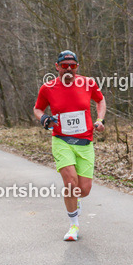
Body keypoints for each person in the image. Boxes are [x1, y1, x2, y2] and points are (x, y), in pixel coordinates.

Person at [33, 50, 106, 242]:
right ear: (57, 67)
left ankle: (76, 200)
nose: (68, 69)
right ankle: (74, 225)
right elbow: (38, 108)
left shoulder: (88, 83)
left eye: (72, 66)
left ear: (77, 67)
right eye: (64, 66)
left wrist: (99, 120)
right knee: (70, 183)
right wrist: (44, 119)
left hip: (85, 142)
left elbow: (100, 100)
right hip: (61, 140)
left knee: (84, 189)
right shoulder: (48, 88)